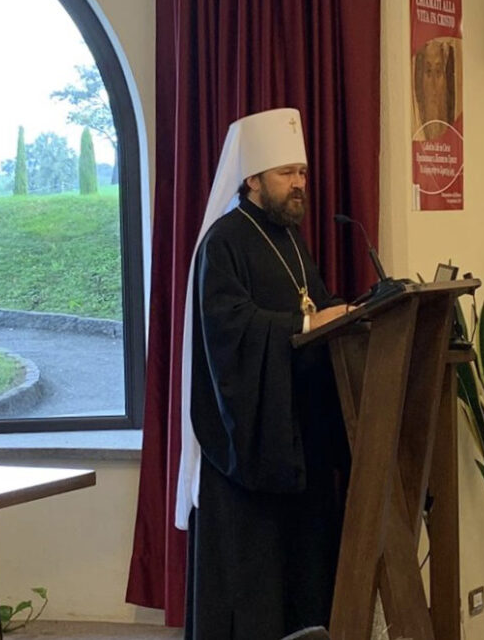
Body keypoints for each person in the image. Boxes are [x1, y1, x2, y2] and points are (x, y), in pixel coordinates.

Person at [176, 108, 352, 640]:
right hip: (252, 444)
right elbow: (230, 331)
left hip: (300, 438)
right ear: (252, 178)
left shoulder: (292, 239)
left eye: (302, 172)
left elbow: (316, 307)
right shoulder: (224, 242)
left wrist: (346, 314)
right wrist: (306, 322)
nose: (300, 184)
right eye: (286, 174)